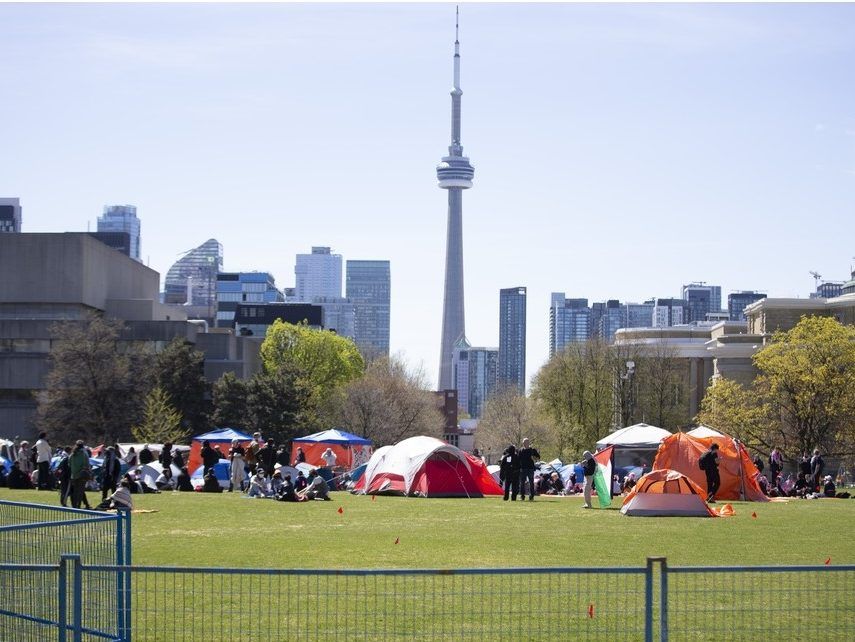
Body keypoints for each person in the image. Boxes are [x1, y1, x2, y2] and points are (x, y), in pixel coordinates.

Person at [69, 440, 92, 509]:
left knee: (76, 491)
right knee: (80, 491)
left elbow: (69, 463)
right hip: (82, 475)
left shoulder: (72, 454)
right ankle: (77, 505)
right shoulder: (84, 453)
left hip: (74, 475)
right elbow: (87, 465)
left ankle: (78, 504)